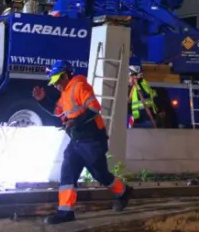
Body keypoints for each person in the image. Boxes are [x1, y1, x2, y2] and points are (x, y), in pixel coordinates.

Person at [32, 60, 132, 225]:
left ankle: (124, 191)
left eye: (57, 81)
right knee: (67, 171)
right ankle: (65, 212)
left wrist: (74, 122)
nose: (55, 85)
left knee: (99, 174)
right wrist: (42, 100)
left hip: (93, 140)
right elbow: (58, 112)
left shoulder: (79, 85)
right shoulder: (65, 92)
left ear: (65, 75)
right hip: (77, 141)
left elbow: (94, 108)